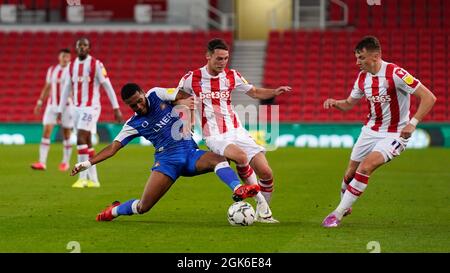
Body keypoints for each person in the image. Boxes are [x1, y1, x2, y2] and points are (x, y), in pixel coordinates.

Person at [71, 83, 263, 221]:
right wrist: (87, 163)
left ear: (143, 93)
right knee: (143, 207)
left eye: (139, 100)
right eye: (133, 105)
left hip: (190, 155)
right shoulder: (133, 124)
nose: (138, 106)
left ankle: (238, 189)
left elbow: (181, 96)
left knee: (220, 158)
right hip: (167, 163)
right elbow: (113, 148)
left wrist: (184, 108)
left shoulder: (156, 94)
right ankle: (113, 211)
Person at [321, 36, 436, 228]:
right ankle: (346, 204)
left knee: (365, 167)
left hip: (395, 133)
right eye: (356, 58)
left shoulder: (396, 73)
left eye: (361, 57)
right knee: (349, 173)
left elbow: (429, 97)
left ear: (375, 56)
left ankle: (337, 214)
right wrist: (336, 103)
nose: (357, 62)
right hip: (370, 130)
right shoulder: (362, 78)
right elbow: (349, 104)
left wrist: (413, 123)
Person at [177, 38, 291, 223]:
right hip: (214, 134)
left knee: (266, 172)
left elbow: (254, 92)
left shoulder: (233, 75)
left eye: (225, 58)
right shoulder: (191, 78)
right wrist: (187, 116)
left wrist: (274, 91)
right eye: (219, 58)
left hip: (237, 130)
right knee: (240, 157)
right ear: (208, 56)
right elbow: (177, 98)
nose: (222, 63)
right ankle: (262, 206)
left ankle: (263, 213)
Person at [57, 37, 123, 188]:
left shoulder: (96, 64)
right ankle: (94, 180)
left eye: (85, 45)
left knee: (80, 138)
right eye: (79, 46)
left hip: (91, 107)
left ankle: (82, 178)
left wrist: (116, 108)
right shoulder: (72, 66)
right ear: (76, 48)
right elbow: (67, 87)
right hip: (76, 108)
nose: (82, 48)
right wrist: (61, 110)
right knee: (87, 142)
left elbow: (107, 86)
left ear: (89, 48)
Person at [31, 48, 73, 172]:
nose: (65, 58)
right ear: (59, 57)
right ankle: (42, 162)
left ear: (70, 58)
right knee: (46, 132)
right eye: (63, 56)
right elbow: (47, 87)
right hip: (52, 105)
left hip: (66, 106)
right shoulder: (52, 70)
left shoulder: (72, 70)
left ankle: (65, 162)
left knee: (66, 134)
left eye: (67, 56)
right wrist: (39, 102)